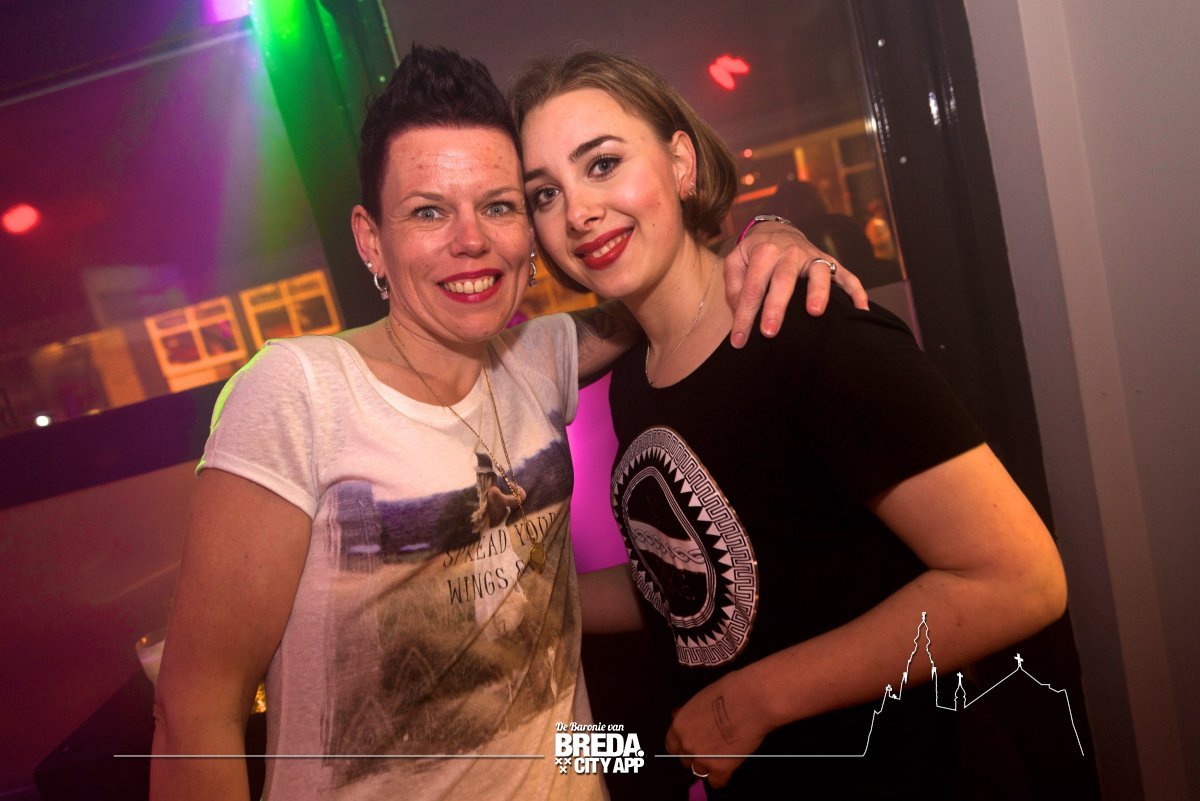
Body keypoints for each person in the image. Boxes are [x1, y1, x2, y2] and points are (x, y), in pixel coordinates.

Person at [150, 45, 863, 801]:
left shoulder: (536, 358)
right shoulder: (298, 390)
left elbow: (665, 277)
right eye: (429, 211)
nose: (472, 240)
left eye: (498, 206)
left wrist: (771, 236)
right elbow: (194, 710)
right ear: (370, 239)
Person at [510, 49, 1068, 798]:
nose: (578, 212)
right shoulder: (638, 377)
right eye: (545, 194)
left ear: (681, 163)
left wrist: (750, 702)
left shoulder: (809, 331)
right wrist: (523, 603)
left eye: (603, 164)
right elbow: (699, 577)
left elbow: (1021, 579)